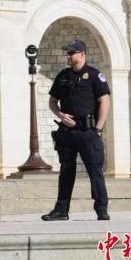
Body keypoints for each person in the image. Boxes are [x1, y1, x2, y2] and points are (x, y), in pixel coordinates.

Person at [41, 40, 111, 221]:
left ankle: (101, 208)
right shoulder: (63, 76)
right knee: (66, 171)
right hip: (67, 132)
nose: (68, 56)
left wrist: (98, 128)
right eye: (68, 53)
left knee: (95, 171)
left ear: (82, 54)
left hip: (88, 132)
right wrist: (61, 115)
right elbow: (52, 102)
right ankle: (61, 210)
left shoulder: (95, 75)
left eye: (72, 53)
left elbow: (105, 101)